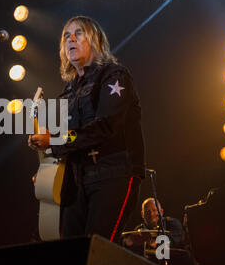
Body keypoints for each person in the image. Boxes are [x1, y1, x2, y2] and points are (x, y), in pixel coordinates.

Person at [28, 15, 145, 243]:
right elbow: (67, 139)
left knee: (96, 251)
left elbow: (104, 127)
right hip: (76, 181)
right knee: (72, 253)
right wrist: (48, 166)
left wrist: (54, 141)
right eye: (66, 36)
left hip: (114, 173)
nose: (70, 38)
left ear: (95, 40)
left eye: (78, 33)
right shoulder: (69, 90)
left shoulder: (113, 75)